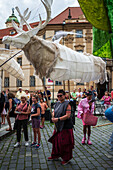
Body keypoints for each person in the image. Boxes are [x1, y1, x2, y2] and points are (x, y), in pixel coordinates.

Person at [48, 89, 74, 165]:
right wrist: (53, 115)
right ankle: (55, 155)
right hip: (58, 126)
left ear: (64, 96)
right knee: (56, 141)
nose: (59, 97)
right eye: (58, 96)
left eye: (60, 95)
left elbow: (68, 115)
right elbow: (54, 111)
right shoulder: (57, 103)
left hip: (66, 126)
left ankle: (66, 158)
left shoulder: (68, 104)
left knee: (65, 143)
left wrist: (58, 119)